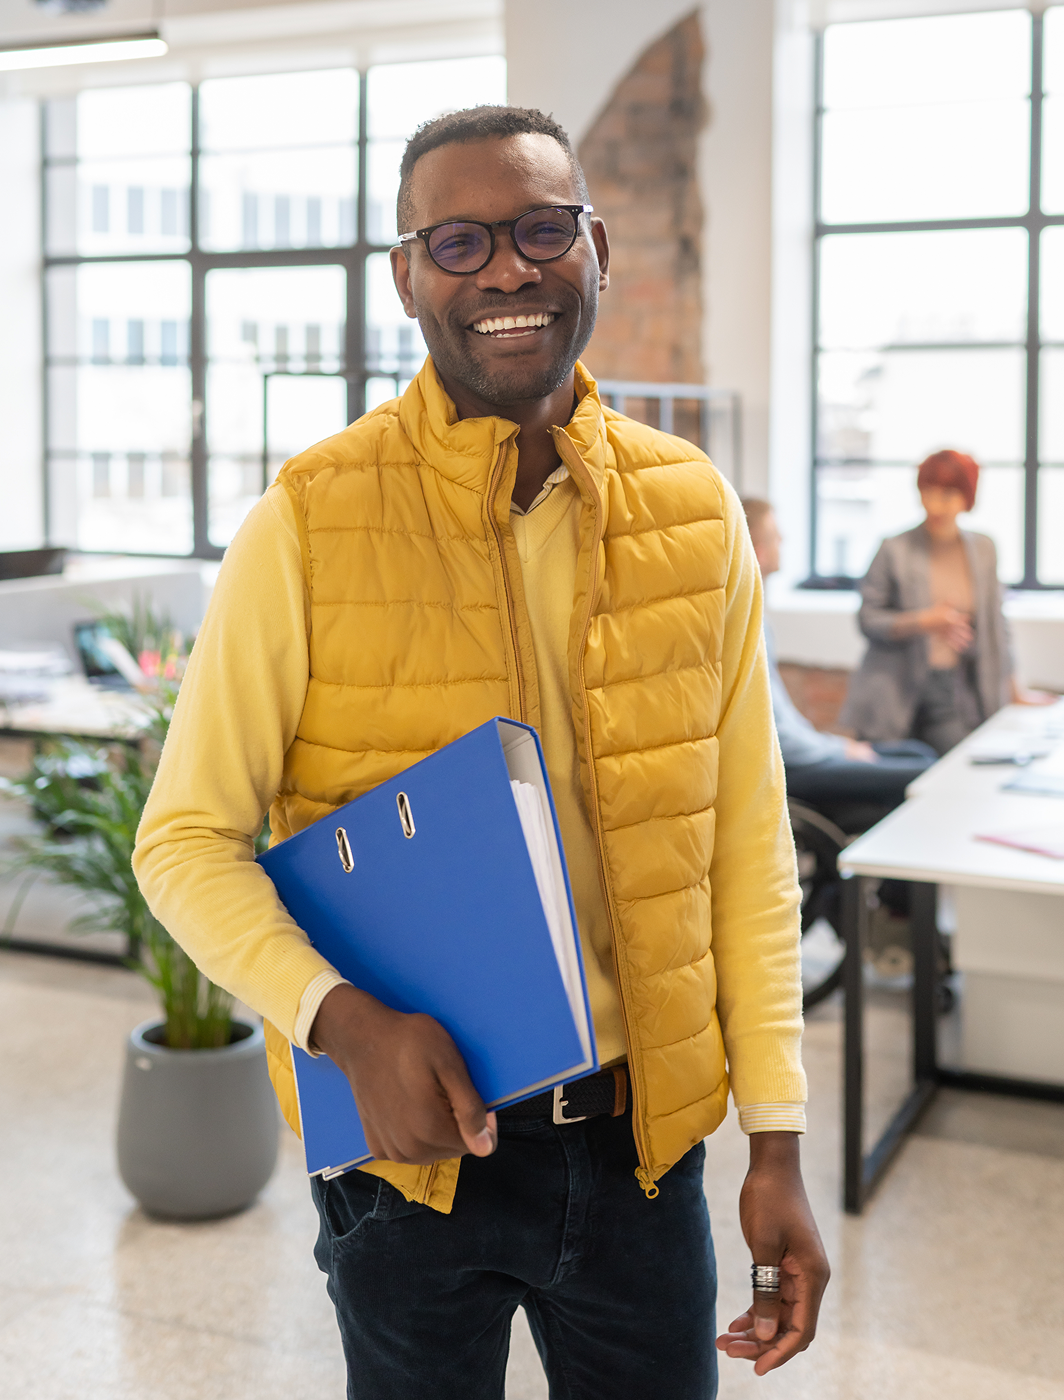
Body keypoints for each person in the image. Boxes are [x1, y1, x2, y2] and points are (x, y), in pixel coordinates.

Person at [133, 106, 828, 1400]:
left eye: (541, 229)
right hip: (411, 1159)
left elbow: (745, 848)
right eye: (457, 241)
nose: (506, 269)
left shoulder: (694, 511)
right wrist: (340, 1022)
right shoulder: (308, 521)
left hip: (645, 1152)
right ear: (406, 276)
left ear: (597, 249)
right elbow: (181, 842)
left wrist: (778, 1137)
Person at [742, 498, 934, 833]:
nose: (783, 541)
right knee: (924, 772)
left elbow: (784, 723)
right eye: (776, 535)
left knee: (918, 754)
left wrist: (837, 747)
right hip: (796, 768)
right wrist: (841, 749)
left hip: (807, 754)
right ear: (758, 550)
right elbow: (778, 737)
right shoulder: (745, 622)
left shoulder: (757, 616)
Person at [841, 450, 1035, 755]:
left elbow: (997, 626)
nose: (935, 505)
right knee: (894, 781)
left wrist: (1015, 690)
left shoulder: (983, 550)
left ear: (966, 497)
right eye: (927, 493)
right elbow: (868, 620)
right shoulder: (895, 549)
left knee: (958, 766)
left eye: (946, 495)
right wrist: (925, 621)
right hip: (894, 688)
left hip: (953, 691)